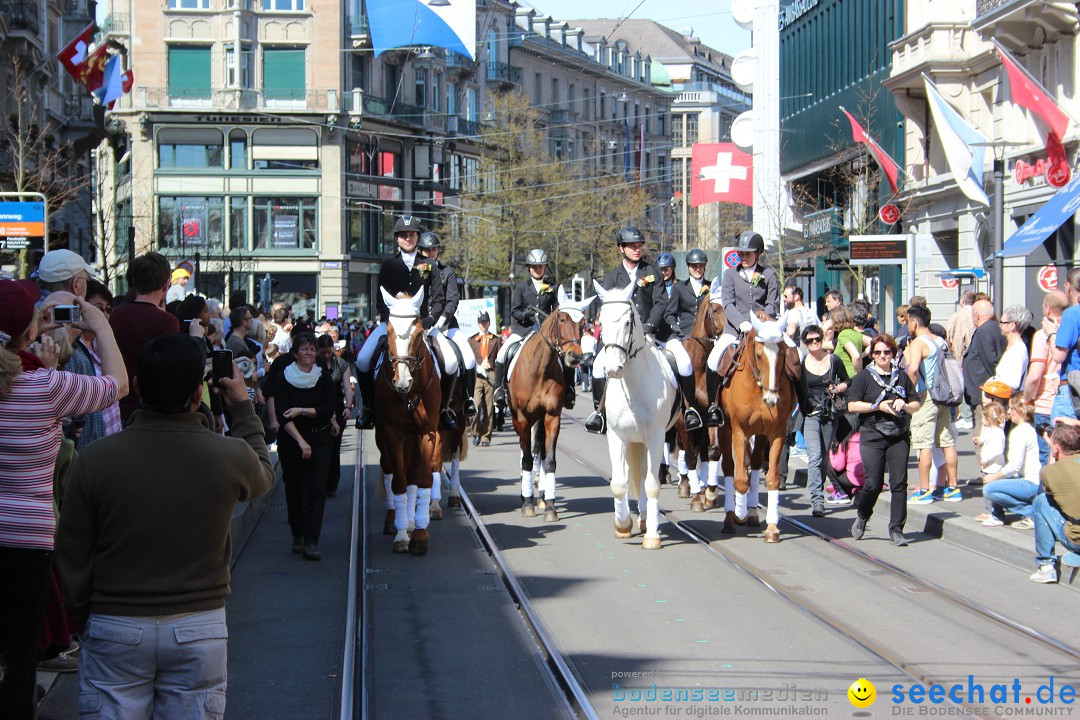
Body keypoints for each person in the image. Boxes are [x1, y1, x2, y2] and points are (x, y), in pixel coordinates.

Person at [54, 334, 274, 719]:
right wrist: (242, 406)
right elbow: (263, 475)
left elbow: (71, 547)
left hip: (113, 622)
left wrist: (83, 616)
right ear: (197, 393)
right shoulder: (227, 456)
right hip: (198, 624)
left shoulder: (97, 459)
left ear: (137, 387)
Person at [0, 280, 127, 719]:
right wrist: (96, 323)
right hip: (28, 539)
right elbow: (117, 385)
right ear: (28, 332)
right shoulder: (46, 386)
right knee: (20, 656)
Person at [585, 227, 668, 433]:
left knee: (681, 363)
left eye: (639, 246)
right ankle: (600, 414)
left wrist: (650, 325)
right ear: (621, 248)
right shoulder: (613, 277)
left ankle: (687, 408)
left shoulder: (652, 272)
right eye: (632, 246)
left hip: (650, 333)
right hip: (621, 340)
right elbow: (609, 310)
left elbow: (660, 302)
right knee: (597, 366)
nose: (637, 250)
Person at [355, 216, 432, 429]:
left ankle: (444, 409)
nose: (408, 238)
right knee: (362, 360)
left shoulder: (428, 264)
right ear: (397, 239)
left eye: (412, 235)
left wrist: (428, 320)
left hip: (420, 324)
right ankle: (368, 408)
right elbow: (380, 300)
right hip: (392, 323)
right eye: (403, 235)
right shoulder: (388, 264)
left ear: (418, 237)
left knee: (451, 362)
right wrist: (393, 319)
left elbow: (437, 296)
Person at [845, 333, 921, 546]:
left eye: (886, 352)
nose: (882, 356)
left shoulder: (902, 377)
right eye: (877, 352)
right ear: (873, 355)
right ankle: (862, 514)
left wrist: (904, 406)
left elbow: (916, 403)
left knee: (899, 483)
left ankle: (896, 530)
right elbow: (851, 405)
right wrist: (876, 406)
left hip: (898, 435)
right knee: (873, 483)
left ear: (893, 354)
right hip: (873, 434)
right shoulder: (864, 377)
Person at [705, 230, 781, 427]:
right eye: (740, 254)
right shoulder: (729, 274)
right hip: (735, 330)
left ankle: (801, 401)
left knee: (794, 354)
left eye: (747, 253)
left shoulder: (769, 274)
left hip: (764, 329)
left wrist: (762, 318)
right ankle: (714, 407)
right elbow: (728, 304)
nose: (743, 257)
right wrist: (742, 323)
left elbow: (773, 303)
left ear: (758, 253)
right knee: (713, 361)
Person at [272, 332, 335, 560]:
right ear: (294, 353)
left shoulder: (323, 377)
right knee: (295, 489)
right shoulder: (283, 378)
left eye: (311, 349)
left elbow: (328, 408)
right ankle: (298, 532)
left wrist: (303, 411)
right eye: (304, 349)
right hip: (292, 440)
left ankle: (311, 541)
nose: (308, 353)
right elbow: (282, 413)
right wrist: (300, 440)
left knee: (317, 490)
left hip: (320, 439)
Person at [110, 252, 181, 423]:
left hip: (114, 406)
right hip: (152, 413)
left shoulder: (115, 316)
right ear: (166, 285)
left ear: (134, 282)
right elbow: (170, 370)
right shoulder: (166, 322)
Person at [417, 230, 476, 430]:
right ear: (420, 251)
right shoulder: (413, 271)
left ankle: (466, 400)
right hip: (419, 326)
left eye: (434, 249)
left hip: (446, 325)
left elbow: (452, 300)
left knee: (466, 358)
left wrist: (440, 321)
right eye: (426, 250)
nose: (431, 253)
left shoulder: (447, 272)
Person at [903, 304, 961, 505]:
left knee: (923, 444)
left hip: (926, 397)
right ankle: (952, 487)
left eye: (909, 320)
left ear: (914, 322)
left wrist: (907, 394)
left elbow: (913, 370)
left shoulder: (919, 342)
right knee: (946, 440)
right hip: (943, 397)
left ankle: (925, 489)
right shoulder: (940, 341)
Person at [493, 248, 559, 410]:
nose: (537, 269)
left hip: (544, 332)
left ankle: (569, 390)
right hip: (523, 329)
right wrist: (525, 314)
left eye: (540, 266)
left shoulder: (551, 286)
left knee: (563, 356)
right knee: (503, 353)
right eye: (534, 266)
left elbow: (557, 310)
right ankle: (499, 390)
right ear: (529, 268)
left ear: (545, 267)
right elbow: (514, 311)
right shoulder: (522, 287)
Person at [798, 325, 849, 517]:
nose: (814, 343)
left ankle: (818, 492)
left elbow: (847, 380)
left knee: (824, 457)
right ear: (805, 343)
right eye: (810, 341)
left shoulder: (833, 360)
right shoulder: (802, 364)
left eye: (817, 339)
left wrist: (838, 388)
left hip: (830, 414)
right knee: (814, 456)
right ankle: (817, 500)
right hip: (811, 414)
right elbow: (798, 390)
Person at [662, 247, 709, 431]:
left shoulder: (710, 286)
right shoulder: (680, 287)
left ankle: (715, 405)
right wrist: (676, 327)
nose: (697, 268)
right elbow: (669, 314)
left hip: (708, 339)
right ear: (688, 267)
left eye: (700, 266)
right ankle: (685, 404)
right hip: (684, 335)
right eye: (694, 266)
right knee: (677, 365)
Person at [976, 395, 1041, 528]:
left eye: (1012, 408)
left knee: (989, 489)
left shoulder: (1019, 432)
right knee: (1000, 481)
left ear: (1021, 411)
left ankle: (1031, 513)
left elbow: (1014, 466)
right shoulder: (1034, 428)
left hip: (1030, 482)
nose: (1009, 411)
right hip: (1038, 481)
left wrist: (993, 477)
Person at [1029, 424, 1080, 583]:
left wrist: (1053, 453)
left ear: (1056, 448)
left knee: (1041, 501)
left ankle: (1046, 565)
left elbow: (1050, 492)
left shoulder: (1049, 471)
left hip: (1076, 539)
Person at [1024, 291, 1067, 465]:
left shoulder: (1043, 336)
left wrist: (1027, 398)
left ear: (1047, 310)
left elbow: (1035, 375)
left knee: (1046, 458)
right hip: (1068, 401)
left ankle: (1048, 492)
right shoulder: (1072, 331)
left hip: (1046, 403)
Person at [963, 299, 1006, 437]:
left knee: (982, 428)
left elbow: (991, 360)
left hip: (984, 389)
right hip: (988, 388)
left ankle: (984, 458)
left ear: (976, 315)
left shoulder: (983, 331)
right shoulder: (996, 327)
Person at [316, 333, 353, 496]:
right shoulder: (313, 364)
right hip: (319, 408)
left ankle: (332, 483)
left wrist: (348, 407)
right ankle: (320, 482)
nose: (326, 355)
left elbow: (347, 386)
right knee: (322, 447)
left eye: (329, 352)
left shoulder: (341, 364)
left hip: (337, 407)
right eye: (323, 352)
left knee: (335, 446)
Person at [469, 311, 501, 446]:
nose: (484, 325)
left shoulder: (495, 339)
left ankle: (486, 437)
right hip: (477, 375)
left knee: (489, 408)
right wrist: (476, 367)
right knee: (476, 405)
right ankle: (475, 432)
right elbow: (469, 359)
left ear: (489, 323)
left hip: (490, 375)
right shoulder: (471, 340)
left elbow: (499, 360)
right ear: (478, 324)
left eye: (486, 322)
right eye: (481, 323)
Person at [989, 304, 1032, 396]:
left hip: (1005, 400)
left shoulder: (1018, 350)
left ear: (1012, 325)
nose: (999, 325)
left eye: (1002, 322)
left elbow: (1013, 383)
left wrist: (993, 385)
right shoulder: (1012, 347)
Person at [829, 305, 863, 378]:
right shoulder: (856, 333)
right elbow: (871, 342)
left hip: (848, 377)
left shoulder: (843, 335)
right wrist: (862, 355)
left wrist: (856, 374)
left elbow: (856, 355)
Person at [783, 285, 818, 357]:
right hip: (814, 355)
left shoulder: (793, 312)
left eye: (786, 296)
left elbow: (790, 333)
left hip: (799, 355)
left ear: (796, 297)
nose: (784, 299)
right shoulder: (811, 312)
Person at [975, 401, 1007, 477]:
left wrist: (986, 459)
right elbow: (986, 436)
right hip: (989, 467)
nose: (981, 419)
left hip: (995, 467)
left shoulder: (998, 433)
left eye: (983, 417)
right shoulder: (990, 429)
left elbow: (998, 450)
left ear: (988, 419)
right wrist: (980, 439)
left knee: (992, 486)